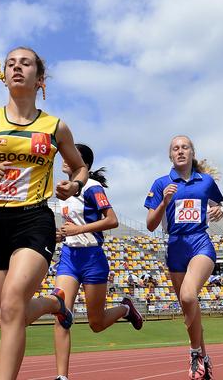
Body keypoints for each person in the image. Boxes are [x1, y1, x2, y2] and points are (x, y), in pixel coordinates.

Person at [0, 47, 88, 380]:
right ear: (5, 76)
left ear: (40, 80)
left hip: (34, 220)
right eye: (11, 63)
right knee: (7, 315)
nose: (17, 67)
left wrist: (74, 185)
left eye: (25, 63)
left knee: (12, 303)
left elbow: (79, 168)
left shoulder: (55, 127)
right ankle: (55, 304)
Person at [53, 144, 143, 380]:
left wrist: (78, 229)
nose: (65, 158)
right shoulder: (62, 192)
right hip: (69, 257)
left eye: (71, 155)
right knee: (61, 312)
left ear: (85, 164)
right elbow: (72, 228)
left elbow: (112, 220)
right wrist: (62, 234)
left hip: (93, 258)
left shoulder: (93, 188)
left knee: (96, 323)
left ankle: (125, 308)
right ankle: (62, 377)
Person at [145, 135, 223, 380]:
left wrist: (220, 209)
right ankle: (204, 358)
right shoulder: (161, 184)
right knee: (188, 309)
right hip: (175, 247)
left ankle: (193, 352)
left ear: (192, 153)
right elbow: (150, 225)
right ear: (170, 155)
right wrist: (164, 202)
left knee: (189, 295)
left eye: (185, 147)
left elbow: (217, 206)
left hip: (200, 242)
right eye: (175, 148)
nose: (180, 151)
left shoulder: (206, 181)